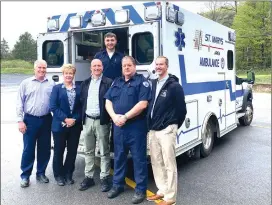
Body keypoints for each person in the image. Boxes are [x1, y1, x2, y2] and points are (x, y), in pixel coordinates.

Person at [104, 56, 151, 204]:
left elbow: (143, 104)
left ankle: (140, 189)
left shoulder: (142, 82)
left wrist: (125, 116)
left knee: (138, 159)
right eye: (124, 65)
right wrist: (114, 116)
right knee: (119, 157)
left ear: (134, 66)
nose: (126, 68)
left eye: (129, 65)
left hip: (135, 127)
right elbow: (108, 101)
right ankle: (118, 185)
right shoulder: (116, 82)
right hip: (118, 127)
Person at [146, 56, 187, 205]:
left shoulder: (174, 86)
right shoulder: (153, 83)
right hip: (153, 129)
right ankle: (162, 190)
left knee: (169, 163)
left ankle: (170, 197)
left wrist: (173, 126)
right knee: (156, 162)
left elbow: (182, 110)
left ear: (167, 66)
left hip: (167, 129)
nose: (158, 67)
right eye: (156, 64)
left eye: (161, 64)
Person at [16, 59, 55, 188]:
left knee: (44, 148)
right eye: (39, 68)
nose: (42, 70)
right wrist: (20, 120)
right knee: (28, 149)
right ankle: (25, 176)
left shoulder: (52, 83)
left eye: (44, 68)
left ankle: (41, 173)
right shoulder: (25, 83)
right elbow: (19, 103)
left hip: (46, 119)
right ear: (34, 69)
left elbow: (55, 102)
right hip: (30, 120)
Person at [79, 59, 113, 192]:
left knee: (104, 151)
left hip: (102, 121)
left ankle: (104, 177)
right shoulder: (85, 83)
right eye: (94, 66)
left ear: (102, 67)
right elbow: (82, 101)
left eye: (99, 66)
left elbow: (111, 102)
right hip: (87, 120)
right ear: (90, 68)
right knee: (88, 150)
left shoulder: (108, 82)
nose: (96, 68)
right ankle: (89, 177)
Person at [49, 64, 82, 186]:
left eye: (71, 73)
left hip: (75, 126)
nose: (68, 75)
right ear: (63, 75)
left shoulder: (78, 89)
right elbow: (53, 106)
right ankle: (59, 175)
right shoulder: (57, 89)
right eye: (66, 73)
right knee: (59, 151)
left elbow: (81, 107)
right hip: (59, 126)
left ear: (74, 75)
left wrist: (74, 119)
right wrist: (65, 119)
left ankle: (68, 174)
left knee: (72, 151)